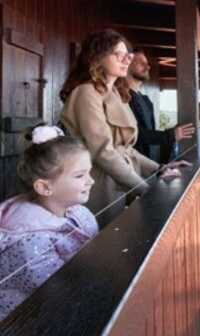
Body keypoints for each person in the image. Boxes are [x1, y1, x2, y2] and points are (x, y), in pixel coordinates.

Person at [59, 29, 187, 227]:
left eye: (128, 55)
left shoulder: (119, 94)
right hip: (97, 184)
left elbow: (126, 149)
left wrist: (160, 169)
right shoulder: (85, 93)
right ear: (97, 57)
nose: (126, 59)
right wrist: (143, 188)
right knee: (103, 243)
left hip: (121, 180)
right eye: (119, 54)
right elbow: (103, 151)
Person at [0, 127, 99, 323]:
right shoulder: (28, 241)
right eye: (79, 175)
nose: (91, 181)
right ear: (44, 187)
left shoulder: (79, 213)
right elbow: (58, 292)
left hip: (66, 317)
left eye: (89, 172)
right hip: (33, 328)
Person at [126, 48, 194, 162]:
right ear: (127, 65)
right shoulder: (124, 97)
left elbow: (149, 132)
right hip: (133, 163)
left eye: (147, 64)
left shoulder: (145, 100)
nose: (147, 67)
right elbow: (134, 132)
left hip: (149, 163)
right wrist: (170, 136)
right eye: (141, 63)